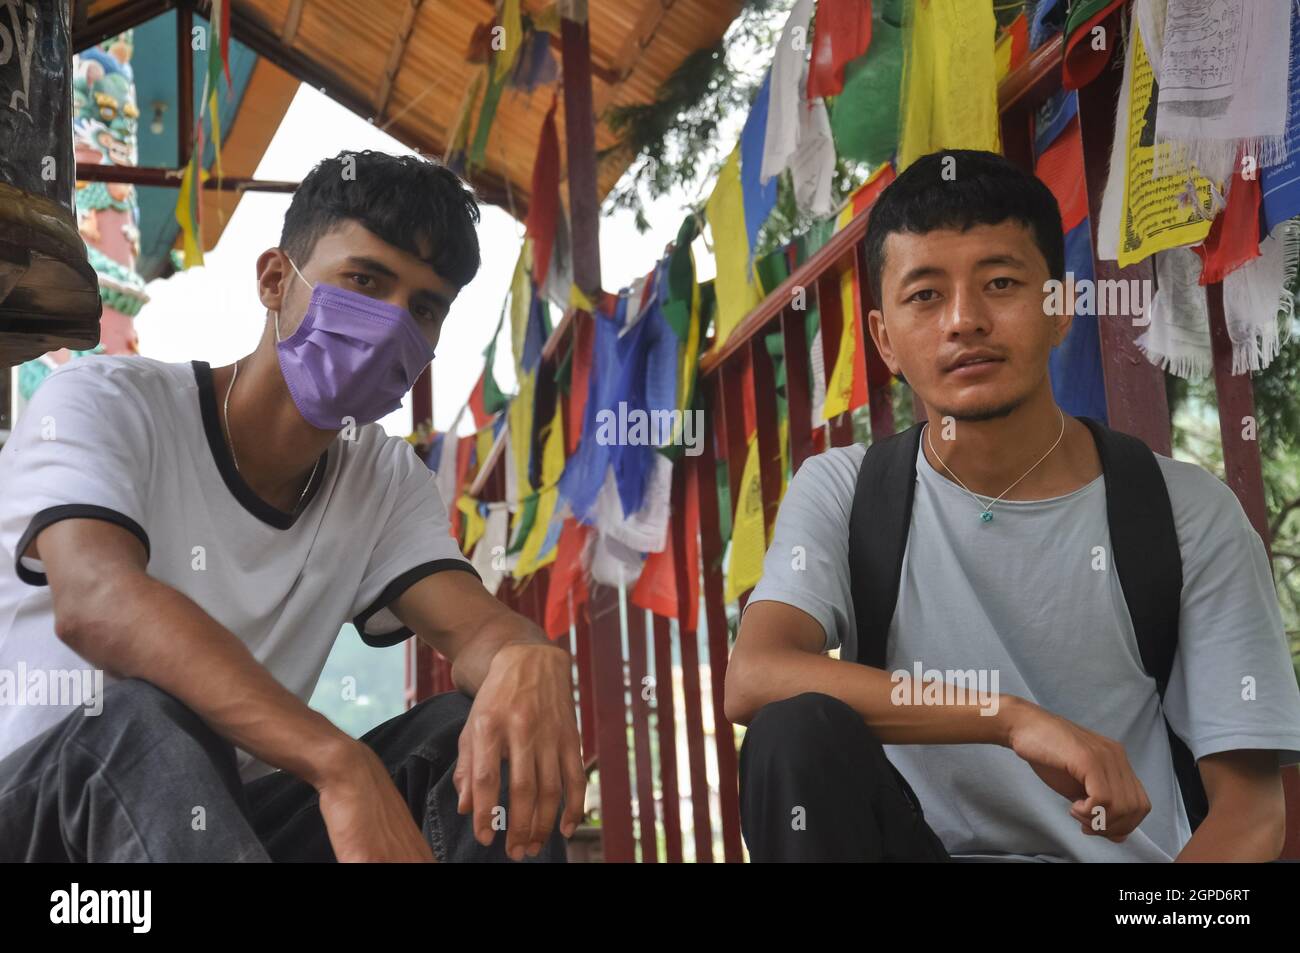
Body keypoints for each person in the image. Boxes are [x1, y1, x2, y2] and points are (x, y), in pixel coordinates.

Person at [0, 150, 584, 862]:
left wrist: (525, 655)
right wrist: (337, 760)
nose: (389, 324)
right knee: (139, 717)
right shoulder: (102, 405)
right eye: (365, 280)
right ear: (276, 280)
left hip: (222, 829)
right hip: (45, 817)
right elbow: (96, 600)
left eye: (423, 308)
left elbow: (475, 632)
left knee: (473, 727)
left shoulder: (382, 477)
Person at [725, 149, 1300, 862]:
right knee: (795, 731)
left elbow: (1251, 816)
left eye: (1000, 282)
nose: (964, 320)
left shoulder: (1186, 514)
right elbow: (755, 675)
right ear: (885, 340)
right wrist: (1008, 719)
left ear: (1058, 308)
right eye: (925, 295)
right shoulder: (846, 491)